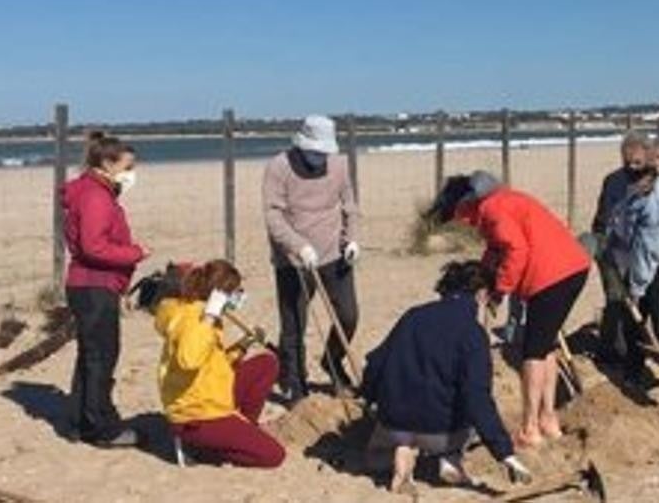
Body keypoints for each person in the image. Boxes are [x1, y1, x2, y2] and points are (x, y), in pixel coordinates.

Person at [428, 171, 590, 449]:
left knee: (532, 352)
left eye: (457, 216)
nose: (460, 224)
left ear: (465, 204)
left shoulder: (492, 210)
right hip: (572, 267)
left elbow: (516, 250)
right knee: (545, 345)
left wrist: (500, 290)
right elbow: (496, 249)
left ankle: (529, 428)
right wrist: (483, 276)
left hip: (551, 275)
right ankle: (548, 419)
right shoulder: (503, 201)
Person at [361, 260, 532, 493]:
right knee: (470, 417)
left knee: (377, 453)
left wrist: (369, 398)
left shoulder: (413, 315)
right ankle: (450, 459)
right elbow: (477, 398)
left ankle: (400, 451)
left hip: (394, 423)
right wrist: (505, 453)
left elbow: (376, 363)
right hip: (441, 433)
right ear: (482, 295)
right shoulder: (473, 333)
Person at [262, 115, 360, 399]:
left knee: (348, 316)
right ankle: (296, 383)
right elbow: (272, 215)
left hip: (335, 253)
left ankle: (332, 361)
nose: (319, 158)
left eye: (323, 152)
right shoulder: (279, 167)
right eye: (315, 152)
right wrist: (297, 245)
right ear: (302, 145)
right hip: (293, 260)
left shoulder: (339, 165)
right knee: (294, 325)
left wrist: (352, 238)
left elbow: (350, 206)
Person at [61, 131, 149, 447]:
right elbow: (94, 247)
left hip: (90, 285)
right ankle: (100, 427)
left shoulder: (93, 191)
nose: (132, 173)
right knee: (101, 356)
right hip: (94, 287)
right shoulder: (96, 196)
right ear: (107, 163)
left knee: (90, 354)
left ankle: (78, 420)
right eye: (128, 166)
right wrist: (134, 253)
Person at [154, 260, 285, 468]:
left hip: (211, 394)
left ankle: (242, 430)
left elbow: (215, 363)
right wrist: (210, 316)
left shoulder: (202, 312)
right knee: (273, 455)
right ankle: (205, 450)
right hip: (196, 414)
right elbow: (189, 359)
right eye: (235, 291)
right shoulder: (196, 317)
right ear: (219, 294)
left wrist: (243, 345)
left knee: (266, 363)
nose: (239, 297)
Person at [604, 160, 659, 389]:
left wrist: (636, 290)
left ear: (652, 178)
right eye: (633, 178)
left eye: (642, 179)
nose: (636, 182)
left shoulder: (656, 208)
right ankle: (633, 373)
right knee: (632, 322)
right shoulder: (634, 191)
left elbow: (647, 255)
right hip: (640, 258)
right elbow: (622, 222)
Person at [589, 132, 652, 363]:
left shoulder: (654, 182)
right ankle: (610, 351)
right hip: (612, 245)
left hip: (641, 247)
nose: (632, 166)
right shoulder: (613, 181)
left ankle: (635, 345)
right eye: (627, 161)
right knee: (616, 297)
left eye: (637, 162)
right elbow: (605, 218)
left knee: (639, 298)